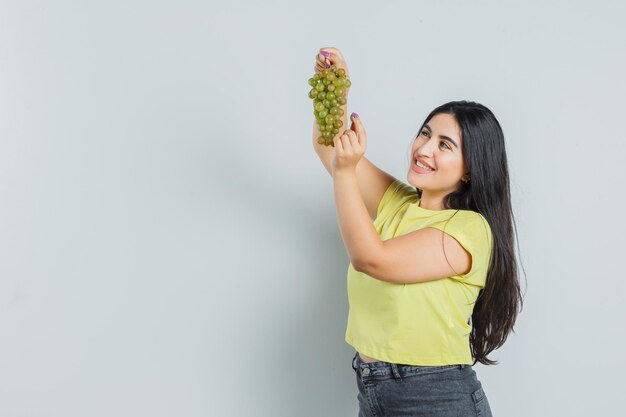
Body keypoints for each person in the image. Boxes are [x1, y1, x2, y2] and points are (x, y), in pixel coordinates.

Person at [312, 47, 523, 417]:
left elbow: (371, 259)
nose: (424, 149)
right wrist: (338, 89)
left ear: (470, 169)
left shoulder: (469, 230)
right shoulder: (399, 202)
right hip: (372, 389)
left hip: (435, 396)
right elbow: (328, 147)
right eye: (425, 134)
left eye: (445, 145)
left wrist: (346, 174)